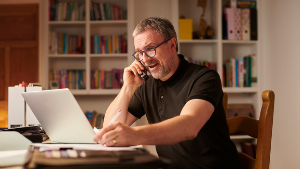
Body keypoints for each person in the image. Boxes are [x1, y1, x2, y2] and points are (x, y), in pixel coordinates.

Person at [93, 17, 240, 169]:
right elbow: (110, 126)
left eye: (150, 49)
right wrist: (128, 88)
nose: (145, 59)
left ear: (172, 45)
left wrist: (134, 135)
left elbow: (189, 126)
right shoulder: (146, 85)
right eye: (139, 53)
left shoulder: (204, 78)